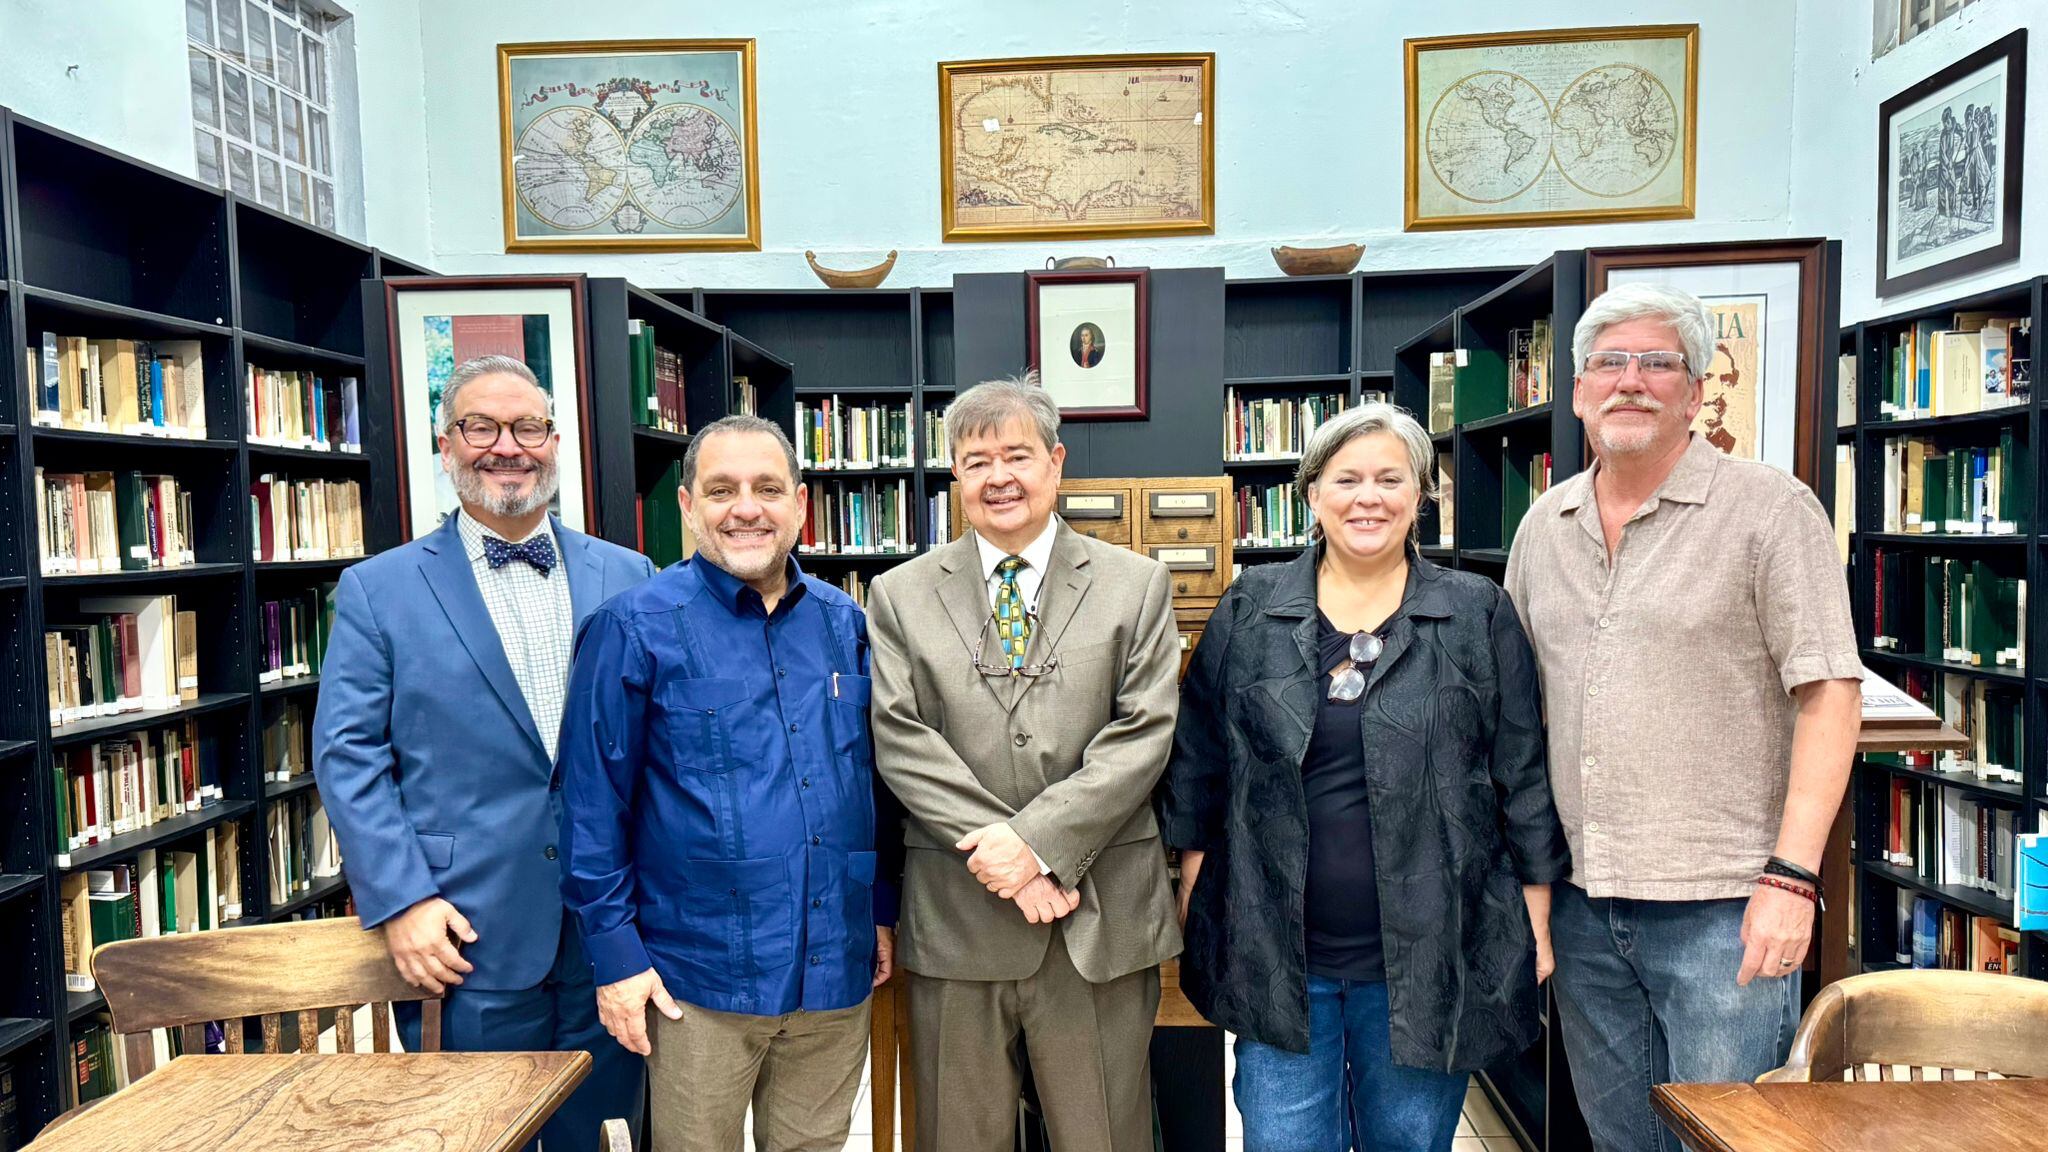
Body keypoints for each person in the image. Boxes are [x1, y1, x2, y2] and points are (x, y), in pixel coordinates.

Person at [1504, 283, 1861, 1152]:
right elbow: (1516, 714)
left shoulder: (1771, 511)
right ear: (1579, 391)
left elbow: (1830, 694)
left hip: (1726, 907)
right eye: (1608, 364)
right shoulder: (1544, 527)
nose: (1630, 381)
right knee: (1621, 1139)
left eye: (1657, 363)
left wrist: (1792, 880)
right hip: (1583, 902)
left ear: (1697, 391)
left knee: (1730, 1140)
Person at [1161, 402, 1567, 1152]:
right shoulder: (1251, 608)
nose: (1368, 498)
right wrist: (1195, 886)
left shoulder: (1476, 613)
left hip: (1432, 959)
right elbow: (1200, 760)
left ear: (1421, 493)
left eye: (1390, 478)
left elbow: (1521, 774)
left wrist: (1535, 921)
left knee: (1407, 1142)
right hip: (1277, 955)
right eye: (1346, 479)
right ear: (1312, 494)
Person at [315, 354, 655, 1150]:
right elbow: (348, 755)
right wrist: (401, 899)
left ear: (555, 442)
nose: (508, 446)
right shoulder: (379, 589)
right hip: (462, 932)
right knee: (475, 1135)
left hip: (612, 930)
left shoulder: (629, 575)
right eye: (481, 427)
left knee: (603, 1134)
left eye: (528, 427)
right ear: (446, 445)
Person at [554, 415, 902, 1152]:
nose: (747, 508)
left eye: (767, 489)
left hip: (831, 970)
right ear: (688, 506)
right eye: (722, 490)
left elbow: (871, 786)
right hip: (696, 981)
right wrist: (616, 960)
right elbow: (590, 807)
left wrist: (877, 909)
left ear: (800, 505)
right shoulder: (632, 627)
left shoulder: (846, 623)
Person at [866, 374, 1181, 1152]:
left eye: (1017, 455)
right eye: (977, 461)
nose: (998, 477)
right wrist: (1007, 857)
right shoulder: (899, 595)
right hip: (957, 919)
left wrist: (1037, 846)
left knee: (1104, 1138)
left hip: (1096, 919)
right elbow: (901, 736)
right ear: (955, 476)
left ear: (1056, 463)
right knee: (956, 1138)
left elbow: (1143, 732)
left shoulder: (1135, 584)